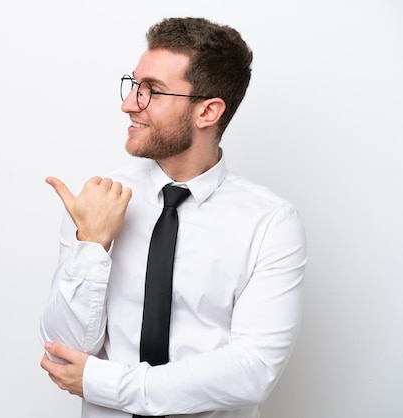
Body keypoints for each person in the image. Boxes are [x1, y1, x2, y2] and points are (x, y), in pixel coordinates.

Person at [39, 17, 306, 418]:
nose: (129, 104)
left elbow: (254, 370)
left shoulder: (269, 223)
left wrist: (105, 383)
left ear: (208, 112)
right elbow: (63, 354)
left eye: (153, 92)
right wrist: (91, 244)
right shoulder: (99, 200)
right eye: (135, 85)